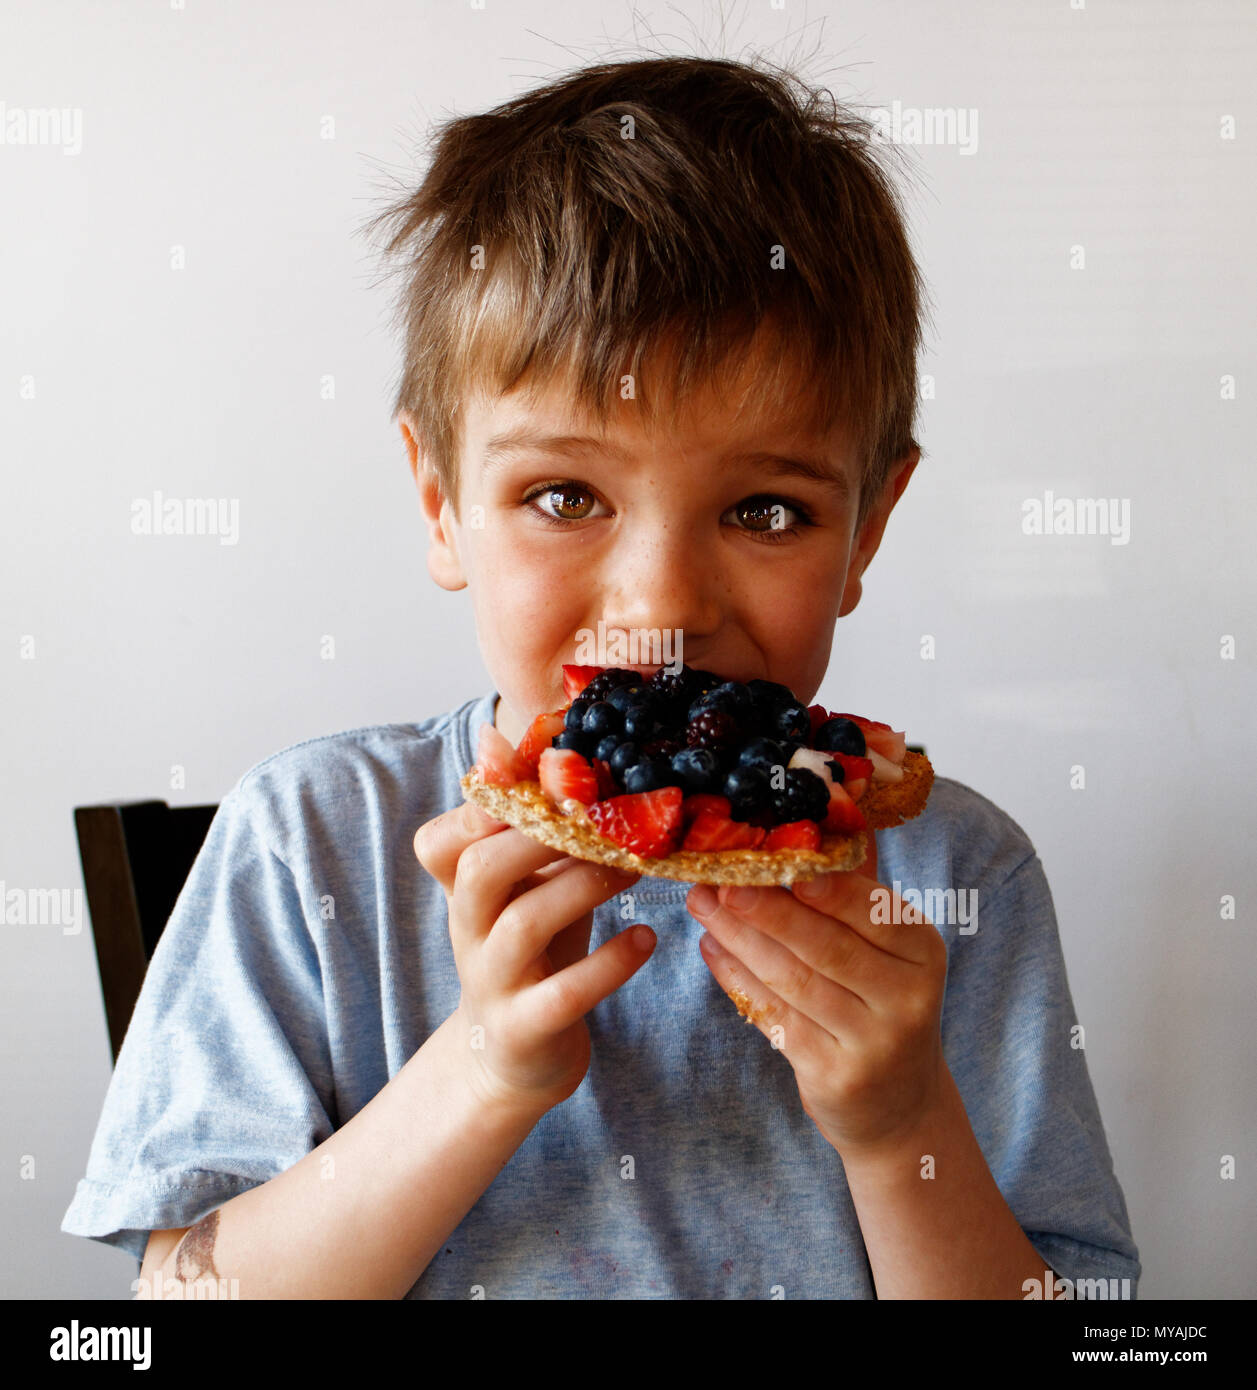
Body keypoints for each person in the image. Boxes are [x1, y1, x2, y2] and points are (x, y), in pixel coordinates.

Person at [62, 54, 1140, 1299]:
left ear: (868, 531)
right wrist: (480, 1070)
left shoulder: (957, 881)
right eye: (564, 495)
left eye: (766, 509)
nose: (662, 606)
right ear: (441, 504)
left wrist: (905, 1133)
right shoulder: (308, 847)